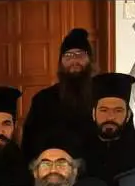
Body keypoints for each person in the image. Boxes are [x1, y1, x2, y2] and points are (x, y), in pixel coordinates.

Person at [24, 28, 97, 156]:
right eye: (68, 56)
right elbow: (30, 144)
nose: (74, 61)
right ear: (61, 62)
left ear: (89, 59)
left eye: (80, 55)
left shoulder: (102, 95)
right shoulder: (43, 100)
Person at [81, 72, 135, 185]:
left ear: (128, 115)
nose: (110, 117)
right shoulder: (80, 152)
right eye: (104, 110)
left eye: (118, 110)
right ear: (93, 113)